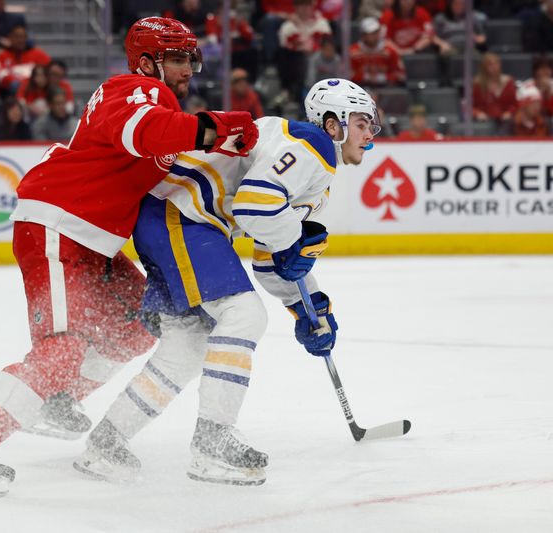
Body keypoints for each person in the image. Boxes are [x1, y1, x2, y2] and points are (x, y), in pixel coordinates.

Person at [0, 16, 258, 497]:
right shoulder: (134, 90)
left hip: (93, 242)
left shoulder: (158, 108)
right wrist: (218, 126)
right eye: (178, 58)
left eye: (192, 58)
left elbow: (160, 160)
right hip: (57, 227)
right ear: (147, 62)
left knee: (144, 320)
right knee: (60, 349)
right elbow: (147, 131)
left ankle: (59, 397)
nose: (189, 68)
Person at [74, 78, 379, 486]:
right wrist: (293, 240)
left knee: (188, 344)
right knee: (244, 315)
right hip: (181, 213)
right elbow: (257, 206)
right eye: (362, 123)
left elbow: (272, 256)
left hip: (173, 218)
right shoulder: (312, 145)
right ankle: (212, 442)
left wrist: (308, 308)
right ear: (332, 124)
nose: (371, 134)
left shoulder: (315, 172)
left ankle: (107, 443)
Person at [350, 17, 406, 87]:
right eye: (369, 33)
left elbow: (399, 74)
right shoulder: (353, 52)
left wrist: (382, 78)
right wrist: (366, 77)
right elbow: (348, 75)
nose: (373, 36)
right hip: (360, 87)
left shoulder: (389, 51)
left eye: (375, 32)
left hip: (386, 88)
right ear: (362, 35)